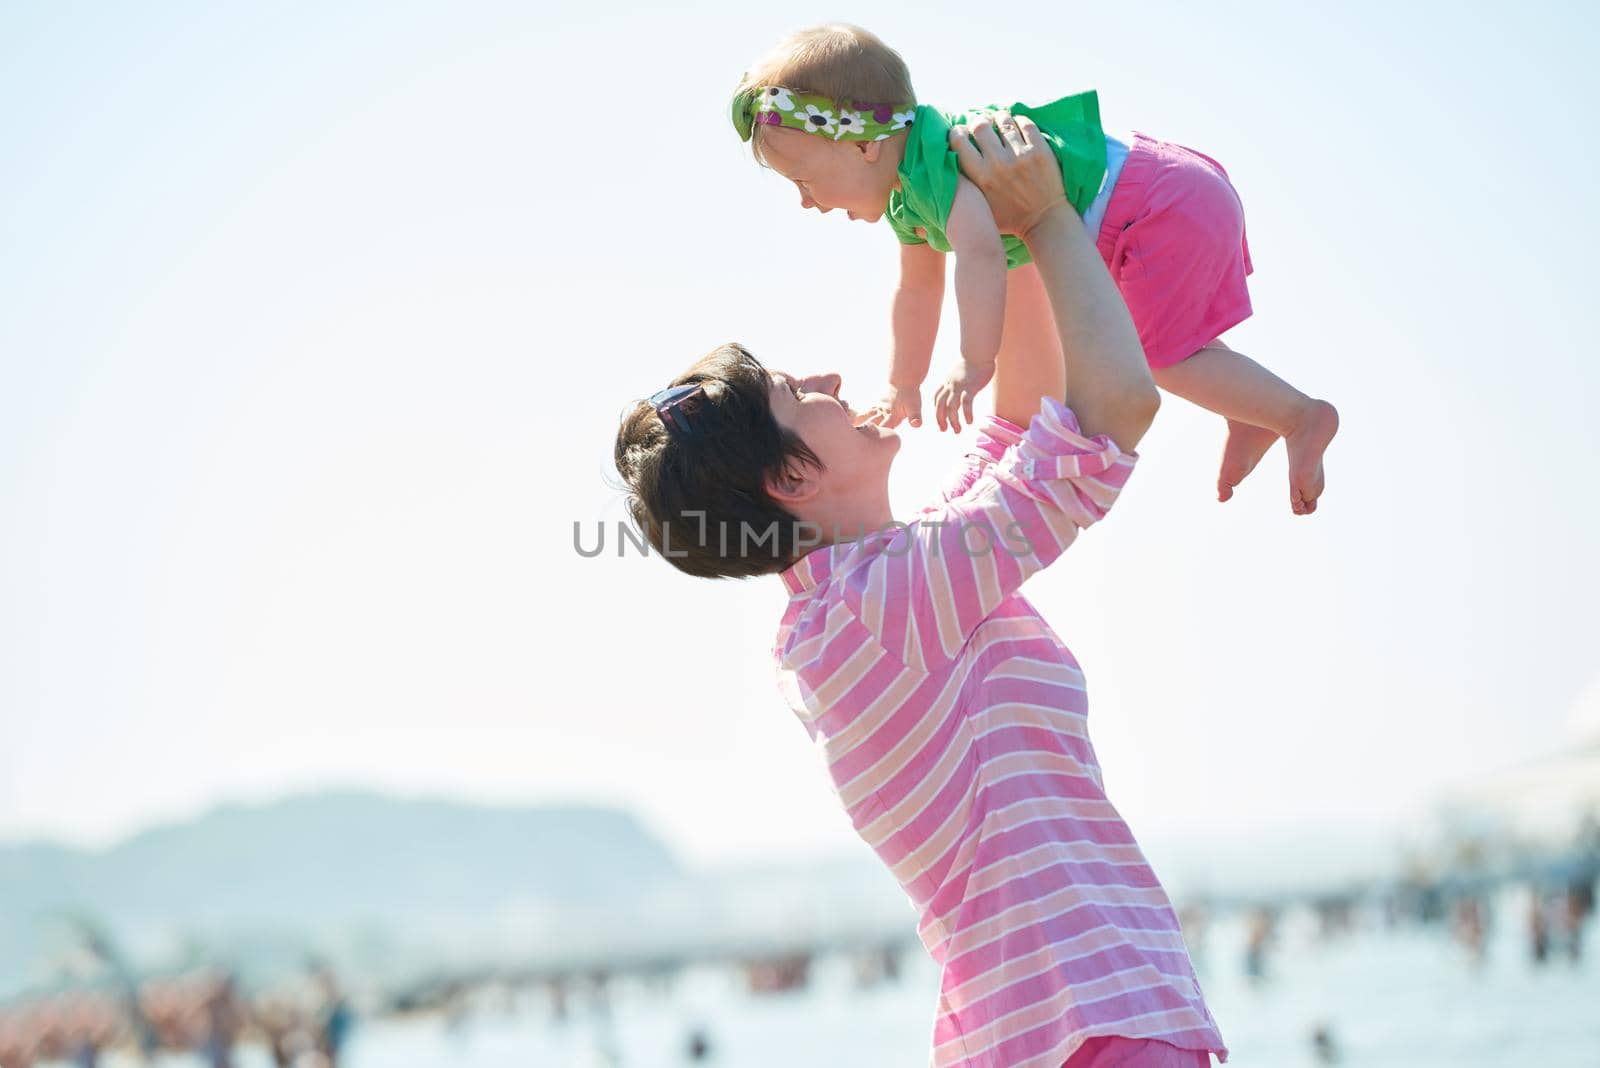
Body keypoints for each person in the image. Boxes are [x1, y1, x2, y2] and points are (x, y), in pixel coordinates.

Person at [615, 113, 1225, 1065]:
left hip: (1063, 1023)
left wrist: (990, 211)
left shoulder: (856, 605)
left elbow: (1020, 423)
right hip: (1089, 1020)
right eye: (790, 390)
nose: (822, 374)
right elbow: (1112, 416)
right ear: (791, 479)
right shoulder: (876, 605)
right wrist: (1056, 218)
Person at [731, 24, 1338, 514]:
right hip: (1157, 198)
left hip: (1158, 208)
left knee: (1154, 358)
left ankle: (1298, 415)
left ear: (865, 145)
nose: (807, 201)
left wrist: (975, 363)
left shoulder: (941, 166)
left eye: (804, 181)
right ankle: (1250, 409)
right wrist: (903, 383)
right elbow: (916, 288)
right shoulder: (907, 193)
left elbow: (981, 257)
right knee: (1172, 344)